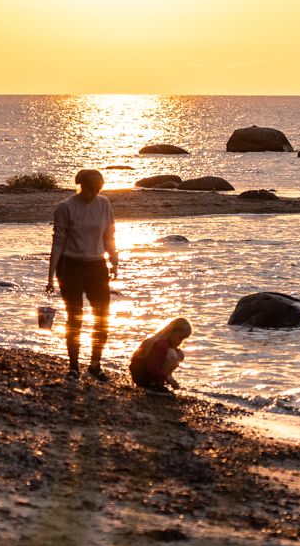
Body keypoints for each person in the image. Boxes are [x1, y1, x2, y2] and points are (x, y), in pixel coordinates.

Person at [46, 168, 117, 380]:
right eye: (89, 189)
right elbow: (57, 242)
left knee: (102, 317)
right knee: (74, 318)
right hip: (70, 267)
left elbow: (109, 235)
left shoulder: (104, 204)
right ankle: (74, 366)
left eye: (97, 189)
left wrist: (114, 261)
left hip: (97, 266)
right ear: (81, 186)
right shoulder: (65, 208)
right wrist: (49, 277)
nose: (93, 193)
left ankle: (95, 364)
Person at [130, 317, 192, 393]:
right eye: (180, 338)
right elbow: (151, 367)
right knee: (172, 355)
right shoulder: (161, 344)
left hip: (141, 373)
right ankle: (154, 385)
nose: (180, 342)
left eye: (183, 339)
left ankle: (158, 382)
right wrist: (167, 378)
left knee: (179, 354)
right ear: (172, 332)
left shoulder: (163, 342)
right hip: (141, 376)